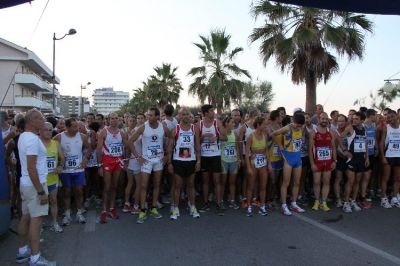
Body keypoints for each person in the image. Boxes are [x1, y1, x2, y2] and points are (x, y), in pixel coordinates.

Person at [16, 109, 56, 265]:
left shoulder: (24, 137)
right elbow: (32, 167)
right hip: (35, 185)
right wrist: (41, 191)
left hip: (26, 184)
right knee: (36, 220)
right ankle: (35, 257)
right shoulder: (32, 139)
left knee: (26, 217)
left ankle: (22, 251)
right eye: (40, 118)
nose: (43, 120)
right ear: (32, 121)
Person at [129, 107, 171, 224]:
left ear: (157, 117)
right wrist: (138, 156)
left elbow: (171, 137)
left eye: (151, 115)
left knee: (157, 185)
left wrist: (167, 154)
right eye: (148, 115)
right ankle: (142, 210)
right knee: (143, 186)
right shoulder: (143, 127)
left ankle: (153, 208)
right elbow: (130, 142)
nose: (148, 117)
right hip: (146, 161)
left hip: (158, 160)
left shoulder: (162, 127)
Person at [54, 118, 92, 225]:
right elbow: (50, 147)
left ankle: (79, 213)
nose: (78, 128)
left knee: (79, 191)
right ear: (68, 127)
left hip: (78, 169)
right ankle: (67, 214)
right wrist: (59, 163)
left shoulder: (82, 136)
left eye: (78, 126)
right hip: (66, 171)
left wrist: (85, 159)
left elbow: (89, 148)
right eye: (74, 126)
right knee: (67, 192)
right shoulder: (59, 137)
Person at [167, 107, 201, 219]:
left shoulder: (194, 128)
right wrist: (169, 163)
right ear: (179, 116)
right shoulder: (175, 129)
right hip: (178, 161)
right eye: (183, 114)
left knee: (191, 185)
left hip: (191, 160)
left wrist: (198, 161)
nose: (185, 116)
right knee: (178, 186)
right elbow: (170, 148)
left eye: (187, 114)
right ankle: (175, 208)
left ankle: (192, 206)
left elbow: (197, 146)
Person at [97, 112, 129, 223]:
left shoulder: (122, 133)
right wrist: (99, 165)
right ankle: (104, 210)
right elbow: (99, 150)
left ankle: (111, 208)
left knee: (115, 186)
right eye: (112, 118)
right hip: (107, 161)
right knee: (107, 186)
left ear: (119, 120)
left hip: (118, 161)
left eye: (116, 118)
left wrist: (125, 160)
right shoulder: (103, 132)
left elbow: (126, 146)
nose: (114, 120)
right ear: (108, 120)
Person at [272, 112, 305, 216]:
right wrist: (280, 145)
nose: (298, 127)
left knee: (297, 183)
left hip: (298, 157)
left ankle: (294, 203)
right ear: (293, 121)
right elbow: (273, 134)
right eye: (296, 124)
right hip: (288, 158)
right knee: (286, 183)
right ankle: (284, 205)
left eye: (300, 125)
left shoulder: (302, 128)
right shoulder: (287, 128)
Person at [197, 104, 224, 215]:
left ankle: (218, 204)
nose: (214, 112)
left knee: (217, 181)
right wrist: (202, 137)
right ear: (206, 113)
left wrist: (217, 137)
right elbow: (196, 141)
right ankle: (206, 203)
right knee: (205, 181)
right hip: (204, 156)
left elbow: (226, 136)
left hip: (215, 156)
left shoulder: (217, 123)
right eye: (212, 110)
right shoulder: (199, 125)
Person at [339, 112, 369, 213]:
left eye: (356, 119)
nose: (354, 120)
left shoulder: (364, 130)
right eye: (353, 118)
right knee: (351, 181)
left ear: (362, 120)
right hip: (352, 158)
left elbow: (365, 144)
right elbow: (339, 138)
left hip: (361, 158)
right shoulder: (350, 128)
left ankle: (353, 201)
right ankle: (346, 203)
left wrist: (367, 158)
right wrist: (344, 150)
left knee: (357, 181)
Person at [309, 112, 336, 212]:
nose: (324, 120)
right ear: (319, 120)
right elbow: (310, 150)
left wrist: (334, 161)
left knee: (326, 182)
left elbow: (333, 147)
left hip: (328, 161)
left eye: (326, 119)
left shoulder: (331, 132)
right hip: (317, 161)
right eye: (322, 119)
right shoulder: (313, 132)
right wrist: (312, 163)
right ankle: (317, 201)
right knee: (316, 182)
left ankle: (324, 202)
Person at [39, 122, 64, 233]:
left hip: (53, 178)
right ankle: (39, 225)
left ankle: (54, 222)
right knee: (41, 203)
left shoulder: (56, 143)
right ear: (40, 131)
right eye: (45, 129)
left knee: (53, 201)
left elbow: (61, 159)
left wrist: (60, 166)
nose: (48, 132)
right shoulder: (36, 143)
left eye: (50, 130)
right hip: (40, 180)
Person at [245, 116, 269, 216]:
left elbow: (267, 150)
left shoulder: (265, 135)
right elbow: (246, 152)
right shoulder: (251, 136)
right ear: (258, 125)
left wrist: (269, 164)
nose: (265, 126)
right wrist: (249, 168)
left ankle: (262, 206)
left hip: (263, 163)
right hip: (253, 163)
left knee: (263, 186)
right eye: (264, 124)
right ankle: (249, 206)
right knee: (251, 186)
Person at [220, 115, 241, 210]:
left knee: (232, 182)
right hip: (223, 160)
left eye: (234, 122)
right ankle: (220, 201)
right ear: (226, 123)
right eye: (232, 122)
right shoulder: (221, 134)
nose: (234, 124)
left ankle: (232, 200)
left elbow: (236, 147)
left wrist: (239, 159)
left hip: (233, 161)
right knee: (223, 182)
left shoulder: (235, 134)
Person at [379, 109, 400, 208]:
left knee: (397, 178)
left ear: (397, 116)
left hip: (398, 156)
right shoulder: (386, 128)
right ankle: (384, 198)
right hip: (388, 155)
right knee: (385, 178)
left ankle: (395, 198)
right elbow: (381, 143)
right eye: (388, 117)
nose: (390, 119)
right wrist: (382, 156)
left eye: (392, 117)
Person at [127, 113, 145, 214]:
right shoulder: (136, 131)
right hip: (137, 160)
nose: (140, 120)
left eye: (142, 118)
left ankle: (137, 203)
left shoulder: (145, 129)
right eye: (138, 118)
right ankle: (135, 206)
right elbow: (130, 145)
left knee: (141, 184)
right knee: (139, 184)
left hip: (145, 159)